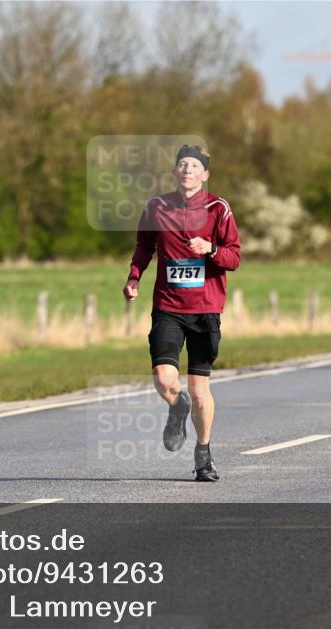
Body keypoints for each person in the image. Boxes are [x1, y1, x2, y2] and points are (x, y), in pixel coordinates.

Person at [122, 145, 241, 482]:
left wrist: (211, 249)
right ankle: (177, 406)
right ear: (175, 172)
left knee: (200, 389)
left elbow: (234, 257)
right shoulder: (157, 207)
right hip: (168, 307)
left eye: (194, 166)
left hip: (205, 310)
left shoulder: (219, 208)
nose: (187, 170)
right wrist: (134, 278)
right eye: (182, 165)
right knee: (163, 378)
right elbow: (144, 247)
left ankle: (203, 454)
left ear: (205, 175)